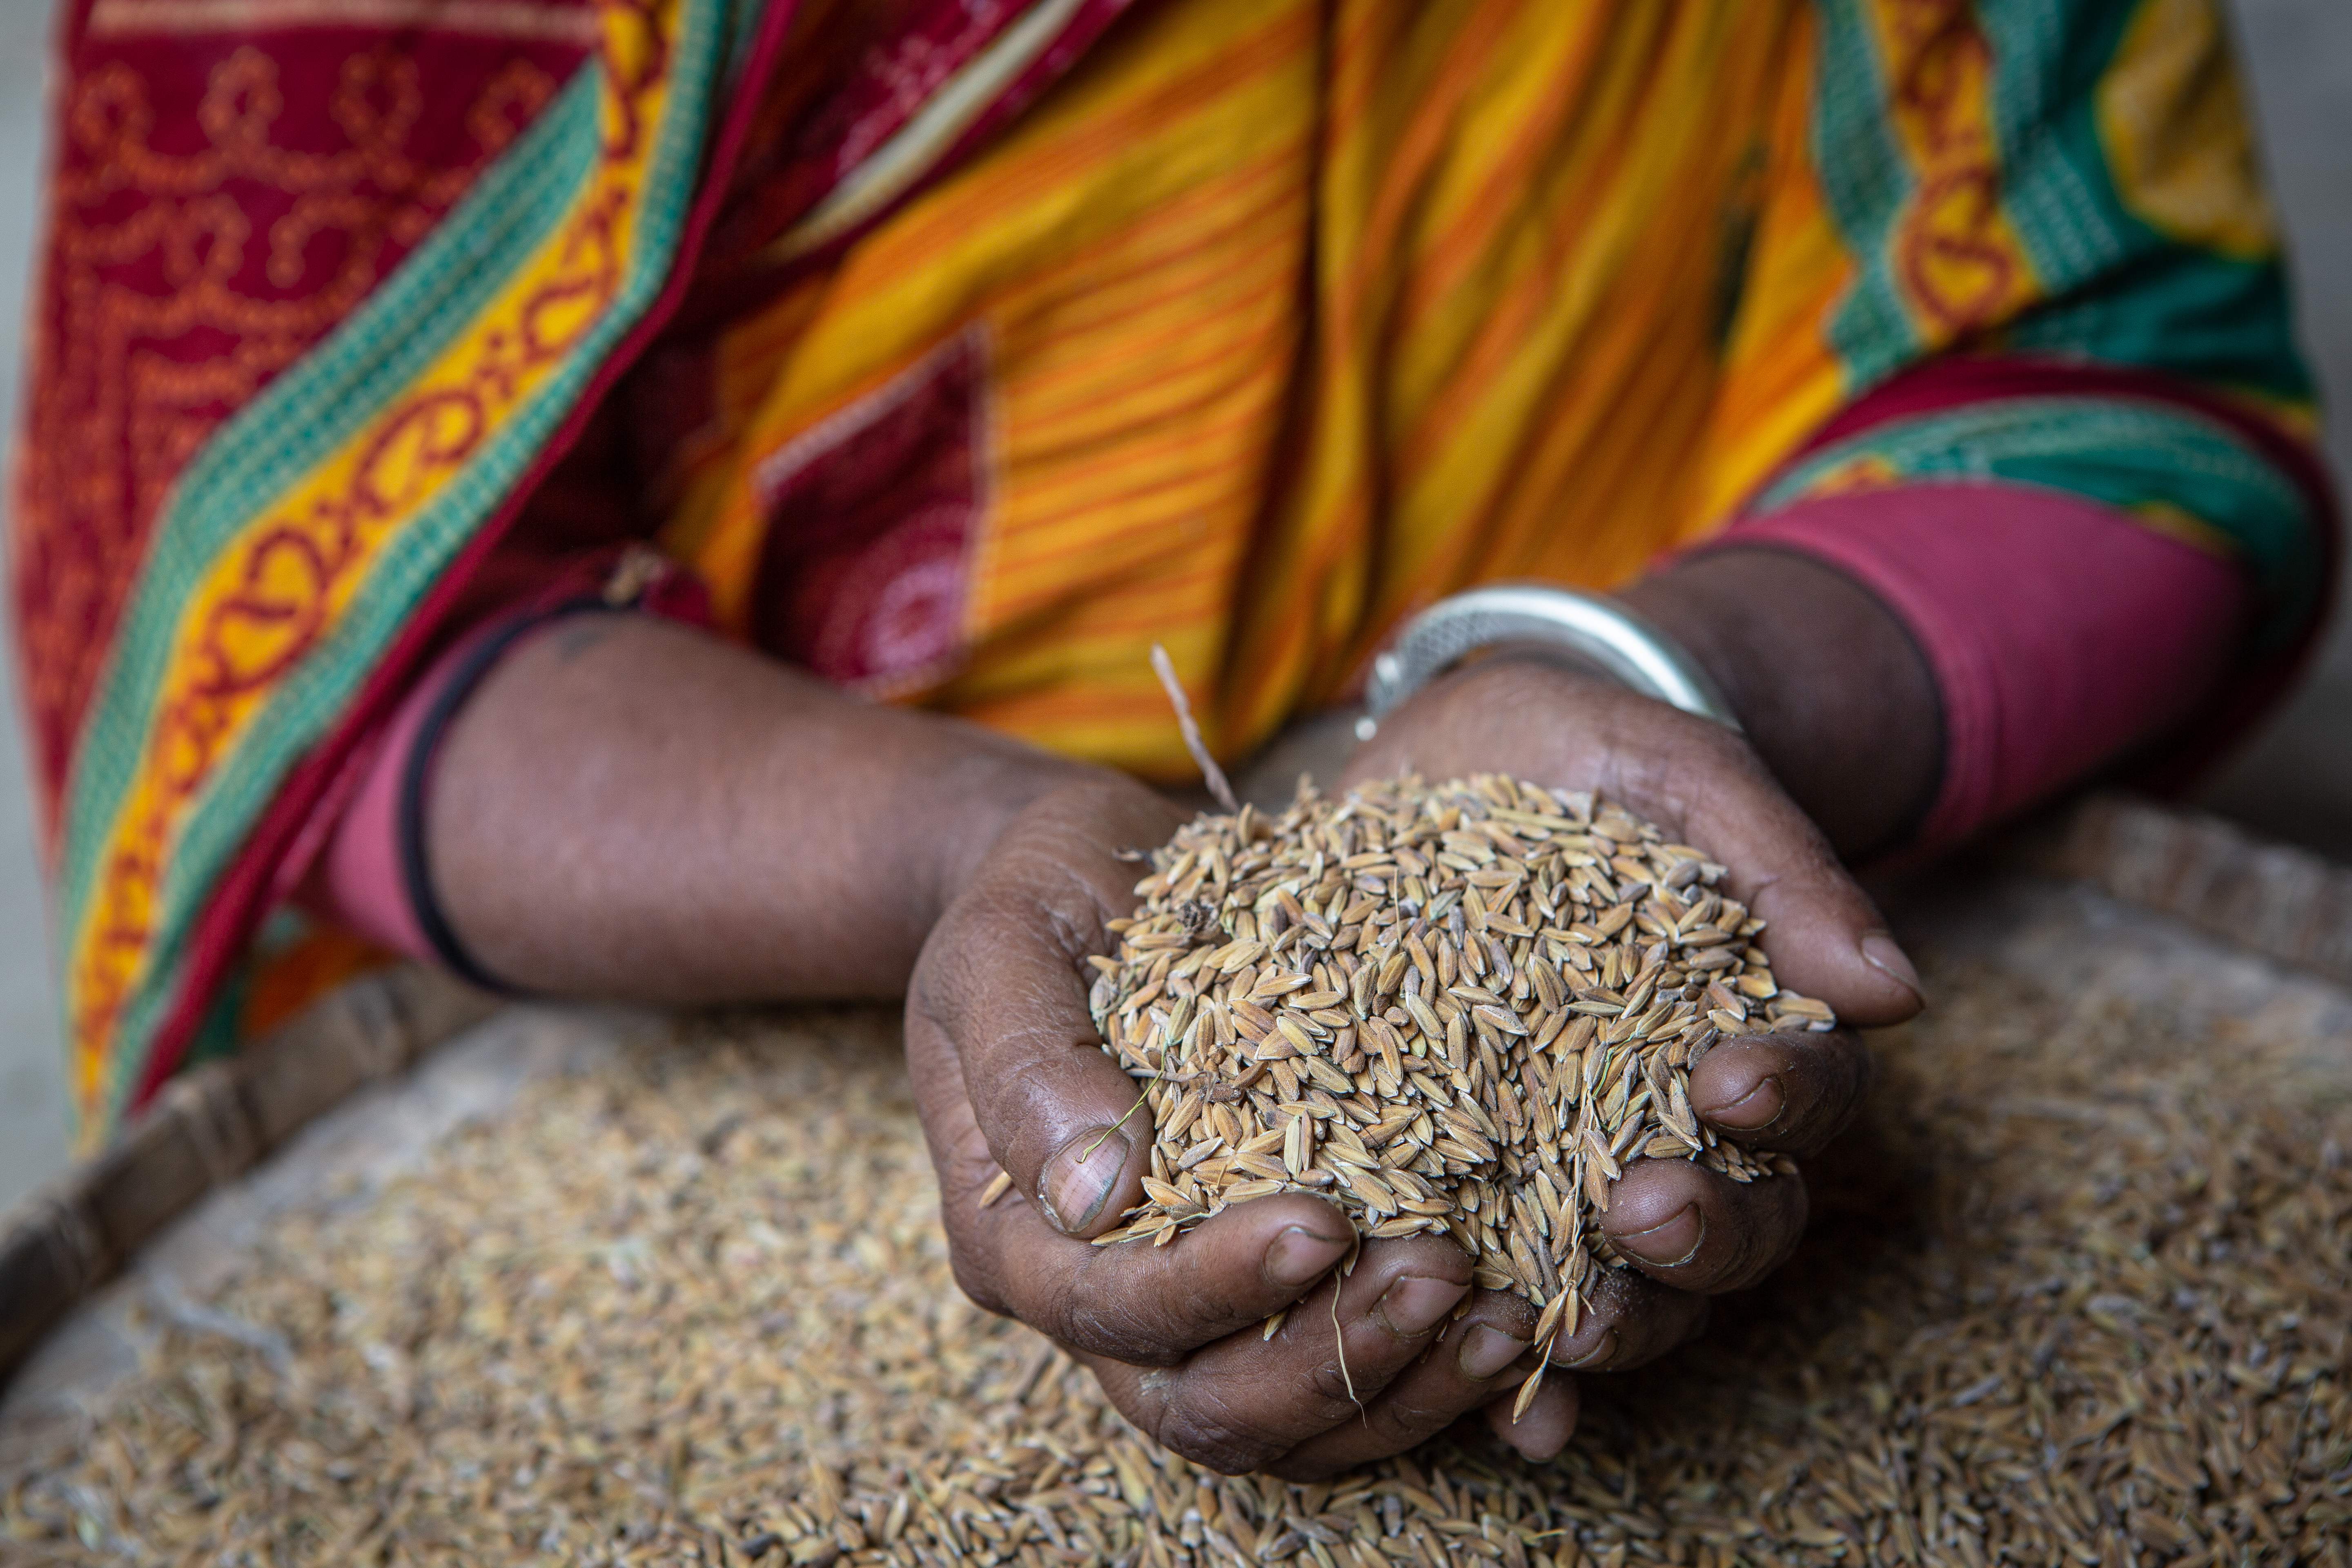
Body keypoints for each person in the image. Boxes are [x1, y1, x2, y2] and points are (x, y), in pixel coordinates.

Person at [15, 0, 2332, 1479]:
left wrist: (1669, 682)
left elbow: (2120, 382)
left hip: (1697, 666)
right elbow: (309, 617)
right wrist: (961, 841)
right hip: (751, 892)